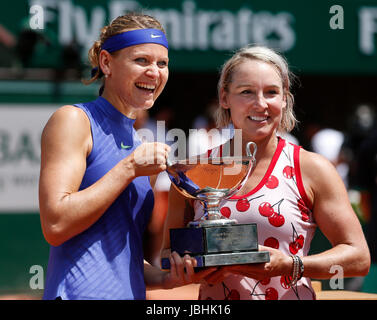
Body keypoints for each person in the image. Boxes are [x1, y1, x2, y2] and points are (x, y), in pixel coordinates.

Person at [161, 45, 370, 300]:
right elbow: (167, 254)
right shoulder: (192, 172)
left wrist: (291, 265)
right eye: (246, 92)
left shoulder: (312, 169)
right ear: (224, 98)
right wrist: (190, 268)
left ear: (285, 99)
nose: (260, 104)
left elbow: (358, 257)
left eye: (271, 92)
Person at [39, 13, 213, 300]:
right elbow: (55, 225)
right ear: (106, 63)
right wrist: (129, 168)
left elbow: (121, 259)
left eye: (162, 63)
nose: (154, 72)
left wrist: (168, 277)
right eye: (141, 60)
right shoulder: (73, 120)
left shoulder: (136, 141)